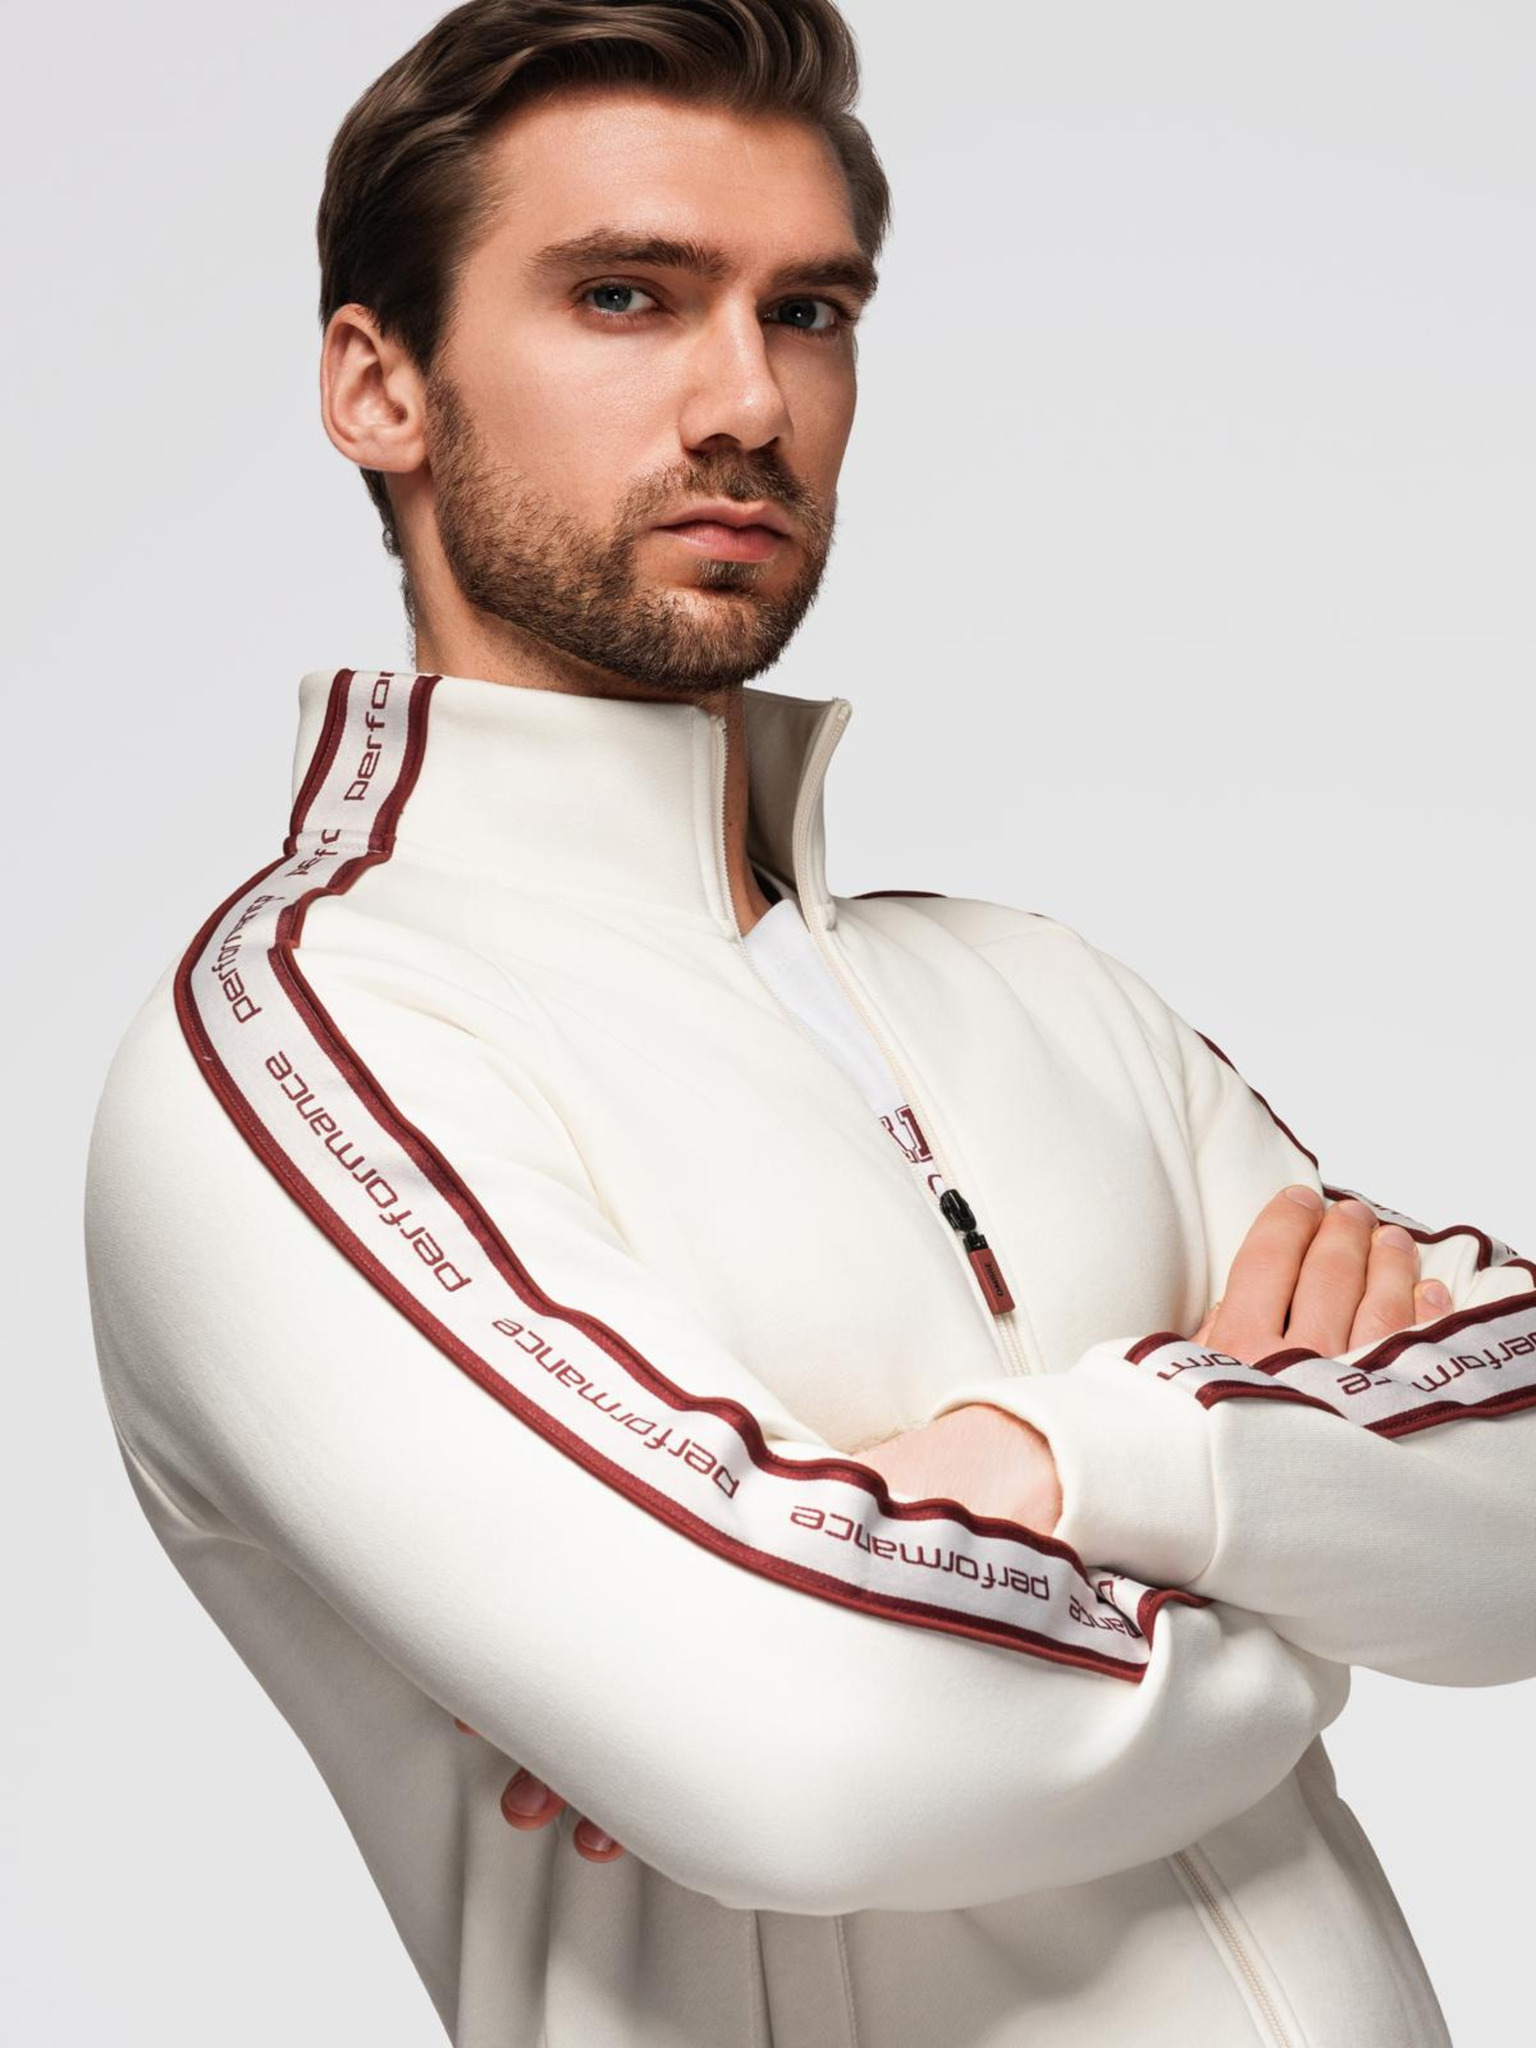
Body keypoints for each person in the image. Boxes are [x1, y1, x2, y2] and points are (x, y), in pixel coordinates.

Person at [82, 4, 1536, 2043]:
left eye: (811, 311)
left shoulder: (1040, 983)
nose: (749, 400)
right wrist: (1304, 1559)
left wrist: (1040, 1464)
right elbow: (816, 1750)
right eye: (624, 296)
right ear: (378, 383)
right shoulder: (300, 1052)